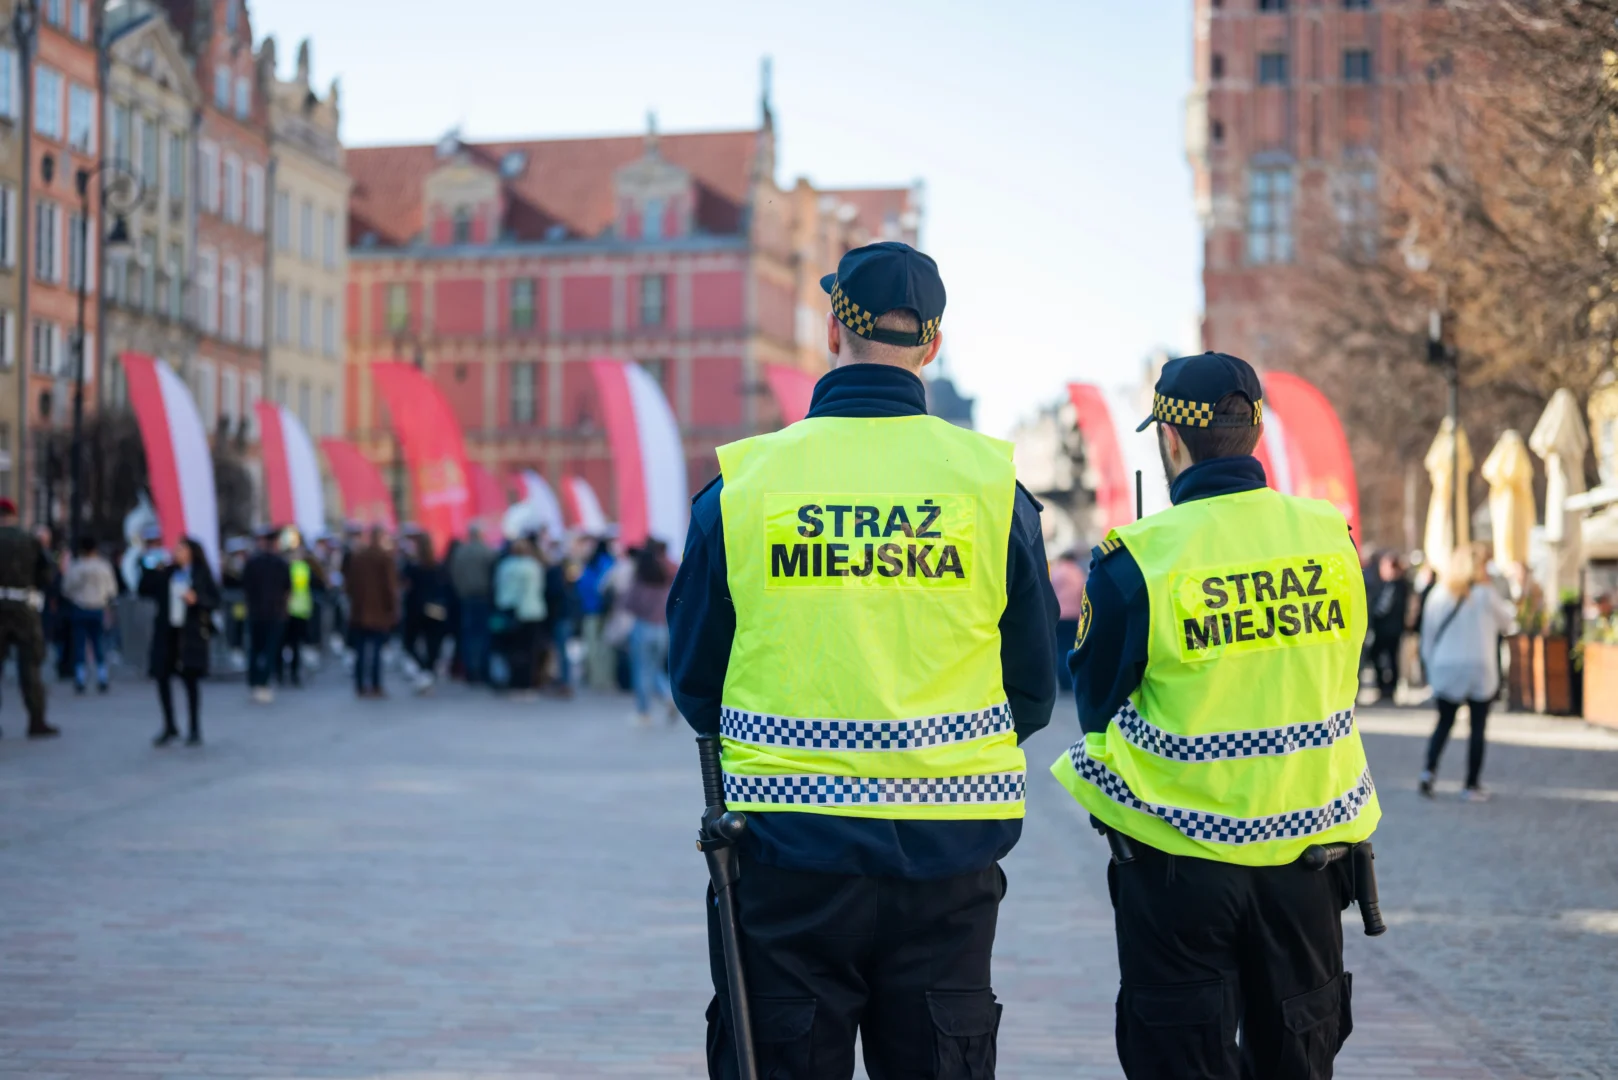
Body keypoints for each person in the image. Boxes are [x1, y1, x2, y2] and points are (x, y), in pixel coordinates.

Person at [669, 241, 1058, 1079]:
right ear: (933, 345)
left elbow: (697, 684)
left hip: (784, 852)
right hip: (948, 857)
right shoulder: (992, 489)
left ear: (831, 330)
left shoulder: (747, 485)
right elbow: (1032, 687)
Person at [1055, 352, 1378, 1079]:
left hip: (1179, 866)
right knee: (1299, 1057)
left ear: (1170, 441)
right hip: (1310, 859)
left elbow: (1096, 709)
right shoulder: (1331, 537)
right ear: (1256, 431)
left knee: (1181, 1057)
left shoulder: (1139, 558)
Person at [1419, 542, 1515, 801]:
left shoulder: (1439, 594)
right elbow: (1508, 621)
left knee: (1444, 722)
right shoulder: (1485, 594)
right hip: (1479, 667)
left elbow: (1427, 636)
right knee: (1477, 727)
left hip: (1446, 666)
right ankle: (1471, 784)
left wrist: (1430, 668)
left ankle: (1428, 771)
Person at [139, 537, 219, 747]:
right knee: (162, 677)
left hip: (190, 633)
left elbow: (215, 599)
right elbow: (143, 589)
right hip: (167, 632)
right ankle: (169, 725)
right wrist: (150, 567)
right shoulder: (167, 572)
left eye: (182, 549)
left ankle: (194, 727)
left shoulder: (201, 573)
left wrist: (197, 600)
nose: (177, 552)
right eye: (177, 549)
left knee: (190, 680)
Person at [0, 499, 57, 739]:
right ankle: (36, 721)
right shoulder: (29, 540)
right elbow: (47, 575)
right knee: (30, 666)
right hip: (25, 608)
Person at [624, 540, 675, 726]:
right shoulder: (665, 581)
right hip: (662, 629)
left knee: (642, 671)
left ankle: (643, 712)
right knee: (654, 669)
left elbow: (628, 604)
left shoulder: (641, 581)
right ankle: (669, 696)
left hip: (643, 627)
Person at [345, 527, 399, 699]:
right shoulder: (384, 558)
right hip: (378, 612)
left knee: (361, 650)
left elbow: (349, 586)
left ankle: (360, 685)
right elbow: (390, 587)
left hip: (360, 611)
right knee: (376, 650)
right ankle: (375, 685)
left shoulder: (358, 558)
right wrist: (392, 609)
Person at [62, 536, 118, 693]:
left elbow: (66, 589)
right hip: (98, 608)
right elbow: (112, 590)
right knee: (98, 643)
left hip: (80, 608)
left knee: (80, 644)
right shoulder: (103, 567)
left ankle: (80, 678)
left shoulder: (76, 567)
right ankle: (102, 676)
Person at [242, 527, 291, 703]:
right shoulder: (280, 563)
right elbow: (287, 588)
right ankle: (262, 682)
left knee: (255, 649)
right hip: (274, 613)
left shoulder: (253, 562)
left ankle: (254, 682)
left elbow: (245, 586)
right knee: (269, 650)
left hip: (256, 612)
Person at [493, 537, 546, 698]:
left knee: (512, 651)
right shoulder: (533, 566)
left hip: (509, 611)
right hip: (532, 613)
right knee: (529, 652)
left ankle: (513, 683)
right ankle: (526, 685)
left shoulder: (505, 566)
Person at [401, 533, 450, 692]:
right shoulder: (438, 566)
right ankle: (428, 670)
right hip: (435, 608)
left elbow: (405, 586)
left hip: (416, 608)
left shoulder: (413, 567)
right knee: (433, 643)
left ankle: (425, 671)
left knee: (410, 642)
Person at [448, 524, 497, 684]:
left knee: (468, 635)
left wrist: (461, 591)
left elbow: (454, 574)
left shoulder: (461, 552)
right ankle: (482, 670)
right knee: (483, 636)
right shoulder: (487, 552)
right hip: (483, 597)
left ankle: (470, 670)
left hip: (466, 597)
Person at [1365, 550, 1412, 704]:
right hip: (1391, 629)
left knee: (1385, 657)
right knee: (1388, 658)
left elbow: (1383, 608)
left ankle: (1387, 688)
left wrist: (1372, 616)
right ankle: (1387, 688)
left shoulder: (1394, 585)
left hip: (1387, 629)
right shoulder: (1395, 584)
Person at [283, 538, 327, 688]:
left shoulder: (292, 567)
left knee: (291, 643)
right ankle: (292, 673)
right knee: (294, 644)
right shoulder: (301, 567)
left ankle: (287, 673)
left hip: (293, 609)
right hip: (298, 609)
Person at [576, 536, 617, 690]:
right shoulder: (610, 563)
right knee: (606, 648)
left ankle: (595, 679)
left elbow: (581, 587)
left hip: (589, 610)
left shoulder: (589, 564)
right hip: (606, 610)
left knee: (592, 645)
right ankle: (607, 679)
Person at [1050, 549, 1086, 692]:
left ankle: (1062, 681)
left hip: (1058, 616)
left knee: (1059, 648)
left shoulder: (1056, 572)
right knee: (1071, 647)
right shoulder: (1077, 573)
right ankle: (1070, 680)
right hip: (1074, 616)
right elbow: (1082, 594)